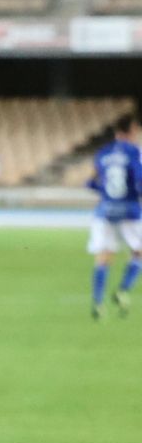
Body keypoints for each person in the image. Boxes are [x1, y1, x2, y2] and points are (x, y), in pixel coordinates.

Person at [87, 116, 142, 320]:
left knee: (104, 256)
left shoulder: (103, 152)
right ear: (131, 131)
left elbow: (90, 182)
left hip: (106, 209)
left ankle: (98, 303)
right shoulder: (133, 152)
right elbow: (139, 179)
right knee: (139, 252)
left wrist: (105, 193)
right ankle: (123, 289)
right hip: (129, 209)